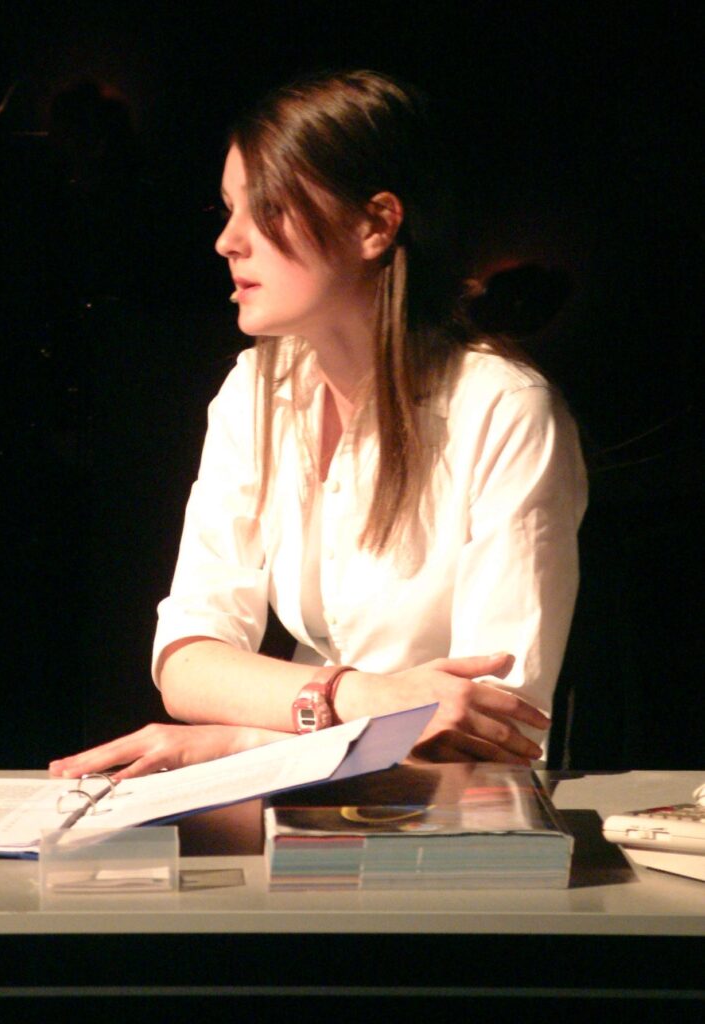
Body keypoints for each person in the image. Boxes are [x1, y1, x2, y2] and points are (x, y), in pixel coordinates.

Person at [49, 70, 587, 782]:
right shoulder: (255, 391)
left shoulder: (503, 409)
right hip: (315, 797)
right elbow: (187, 660)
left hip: (452, 819)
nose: (228, 241)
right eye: (229, 209)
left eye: (267, 207)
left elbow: (489, 728)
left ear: (376, 224)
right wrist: (356, 696)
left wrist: (238, 743)